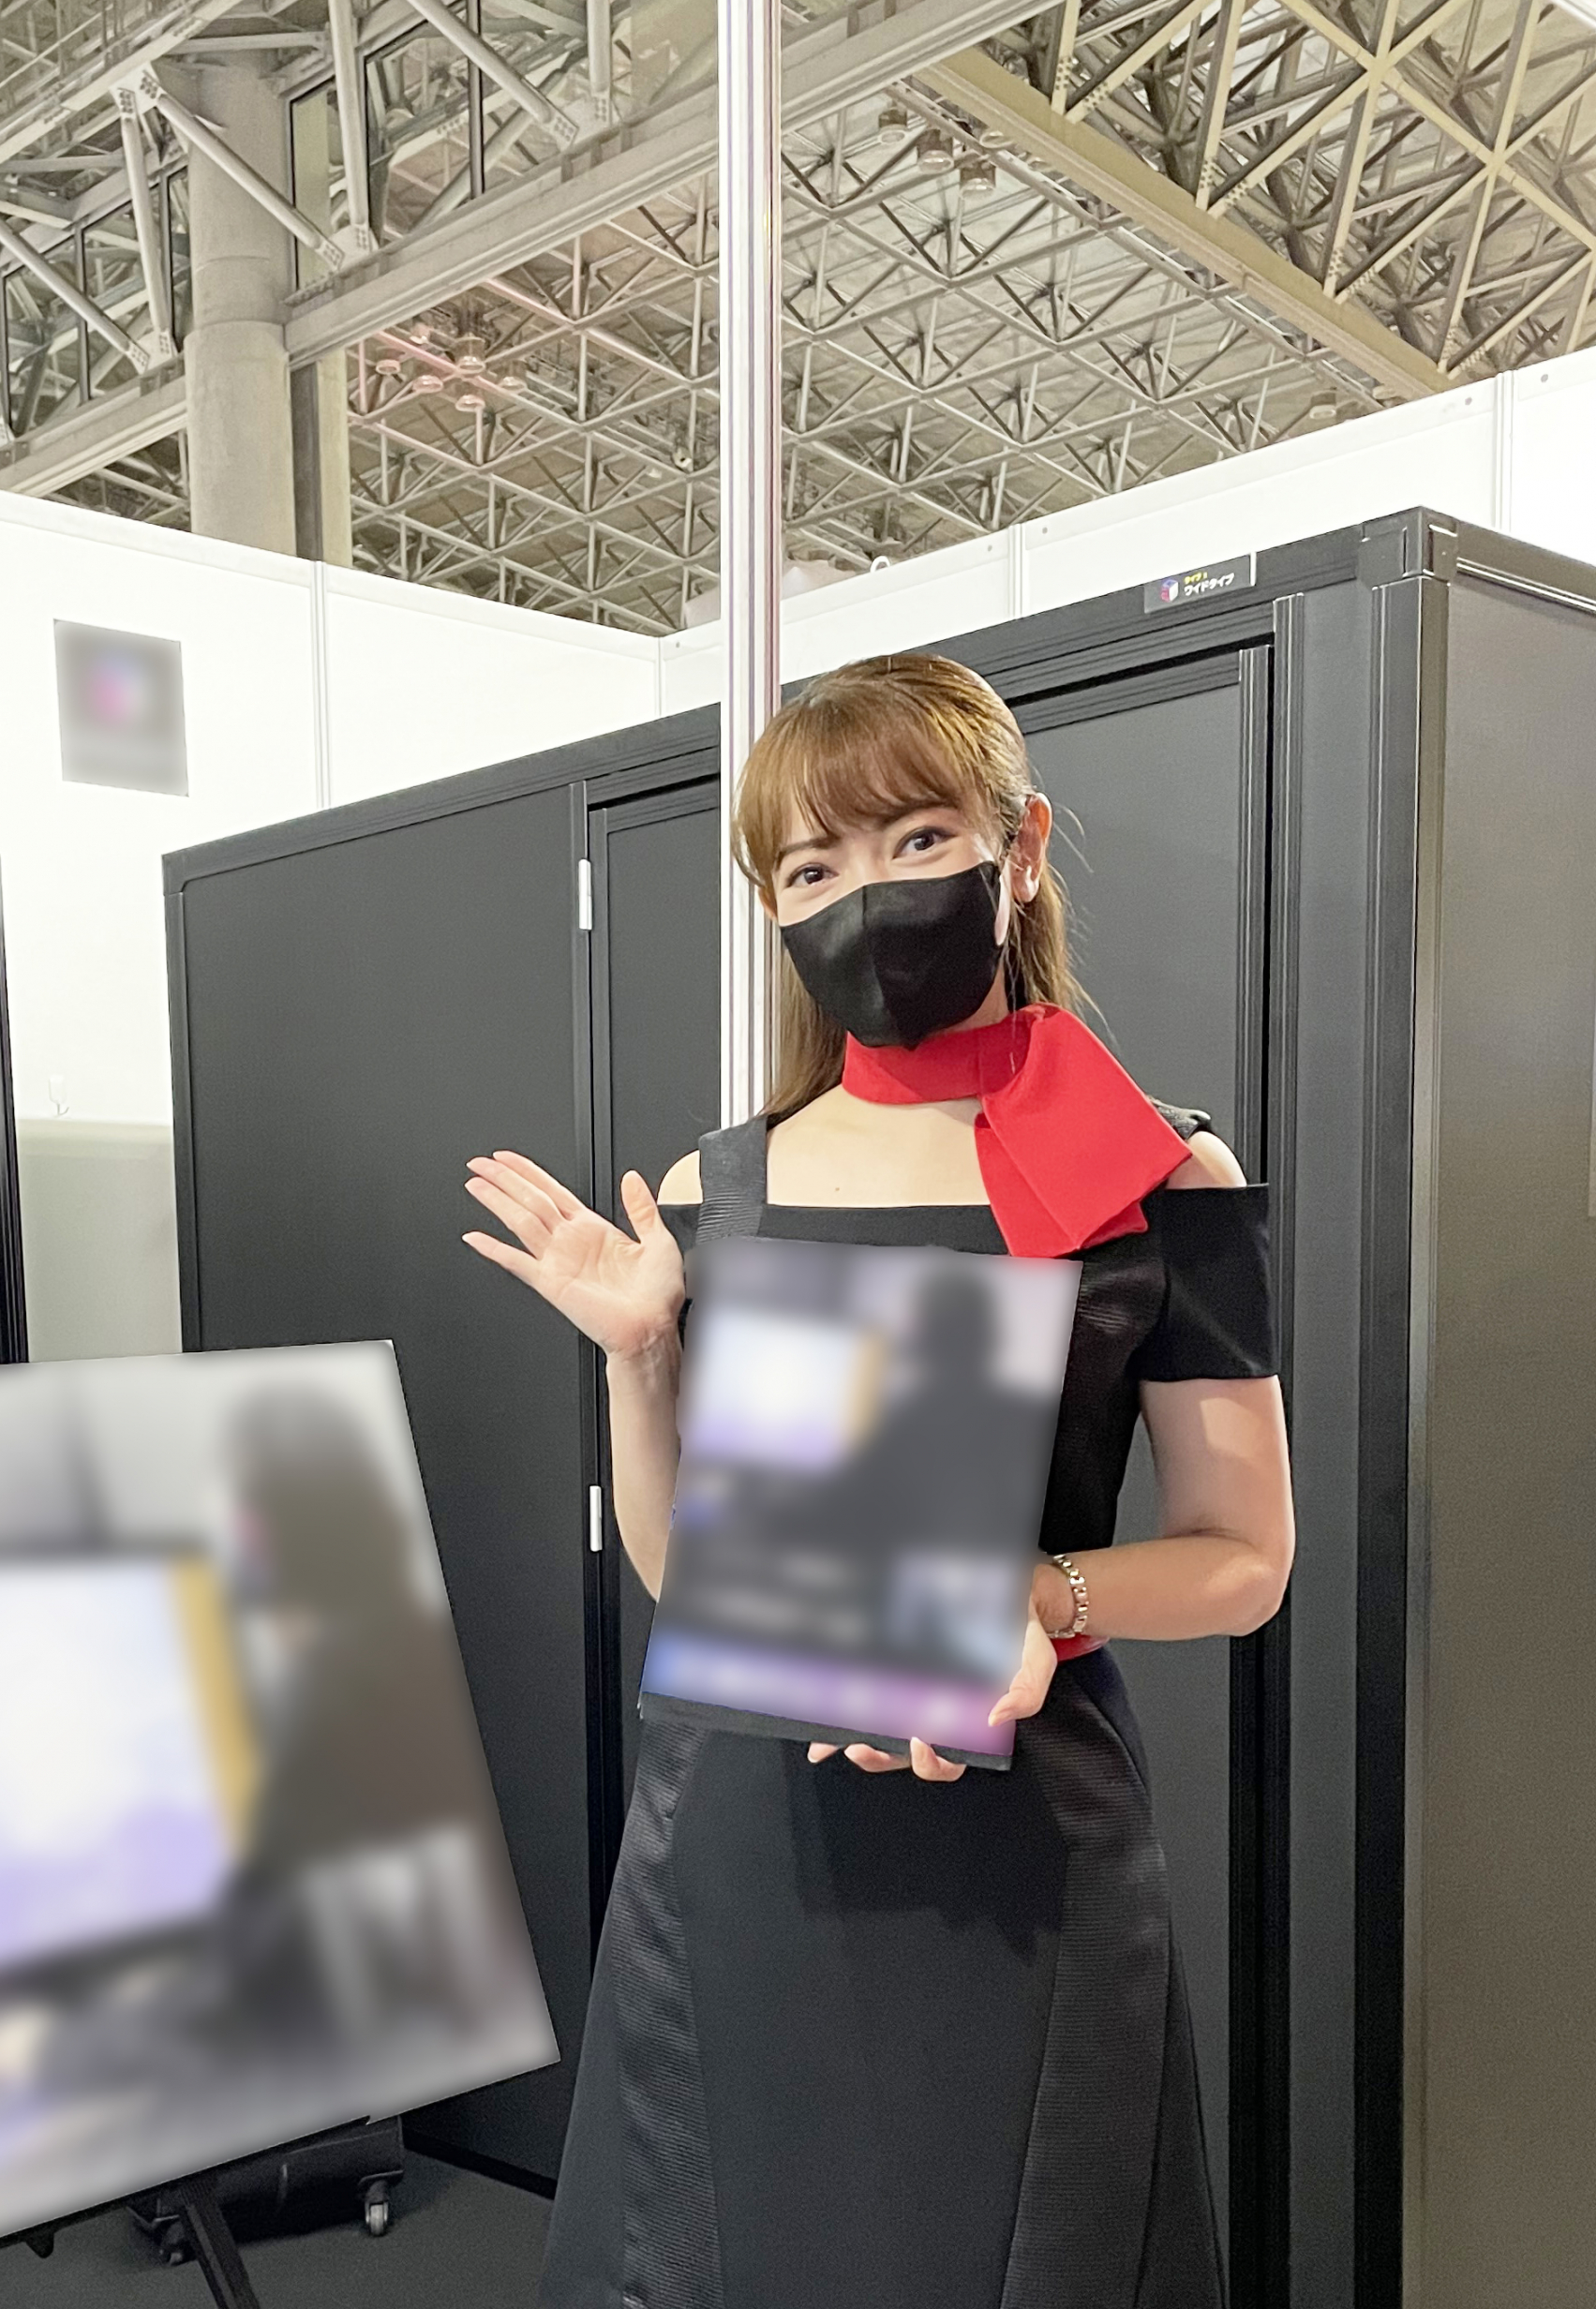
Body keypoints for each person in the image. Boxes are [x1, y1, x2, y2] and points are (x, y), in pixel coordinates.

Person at [462, 653, 1294, 2309]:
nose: (866, 898)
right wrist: (641, 1357)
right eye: (810, 869)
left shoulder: (1154, 1174)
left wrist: (1030, 1599)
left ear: (1019, 849)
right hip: (745, 1837)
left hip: (1025, 1842)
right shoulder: (724, 1188)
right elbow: (685, 1569)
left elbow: (1244, 1556)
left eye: (918, 841)